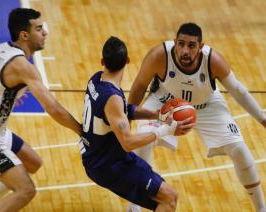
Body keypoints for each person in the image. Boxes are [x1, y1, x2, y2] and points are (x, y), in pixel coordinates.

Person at [0, 8, 81, 211]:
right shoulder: (22, 67)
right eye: (39, 28)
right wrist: (81, 131)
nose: (45, 32)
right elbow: (52, 108)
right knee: (26, 190)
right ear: (24, 35)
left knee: (32, 162)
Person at [127, 22, 266, 212]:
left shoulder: (213, 60)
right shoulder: (158, 56)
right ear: (175, 42)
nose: (185, 50)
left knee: (240, 150)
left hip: (207, 105)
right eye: (181, 44)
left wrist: (262, 118)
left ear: (201, 47)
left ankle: (261, 209)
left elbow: (239, 91)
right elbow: (138, 87)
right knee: (142, 139)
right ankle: (134, 205)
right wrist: (126, 121)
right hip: (166, 101)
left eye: (191, 45)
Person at [80, 36, 195, 211]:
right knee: (169, 198)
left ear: (102, 61)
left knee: (160, 201)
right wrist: (166, 129)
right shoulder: (113, 98)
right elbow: (128, 143)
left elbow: (126, 110)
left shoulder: (96, 80)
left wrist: (158, 115)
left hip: (98, 157)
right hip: (110, 165)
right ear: (128, 60)